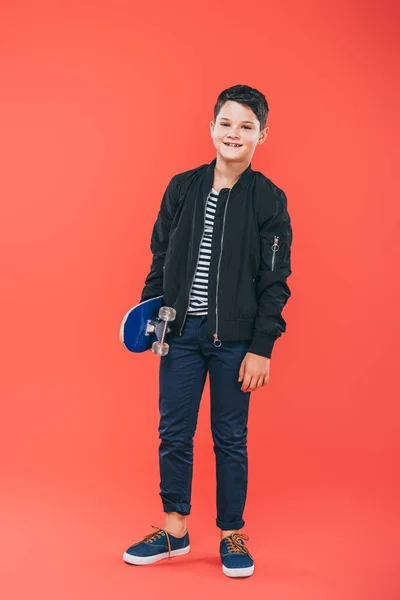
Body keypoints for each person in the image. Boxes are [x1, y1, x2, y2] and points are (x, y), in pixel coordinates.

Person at [122, 84, 293, 578]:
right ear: (211, 127)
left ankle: (231, 531)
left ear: (262, 135)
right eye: (226, 123)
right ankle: (174, 530)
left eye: (246, 126)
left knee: (229, 437)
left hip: (234, 342)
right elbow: (159, 258)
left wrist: (261, 348)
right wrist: (150, 317)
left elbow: (275, 281)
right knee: (173, 432)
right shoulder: (182, 187)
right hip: (179, 337)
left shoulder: (268, 199)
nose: (234, 133)